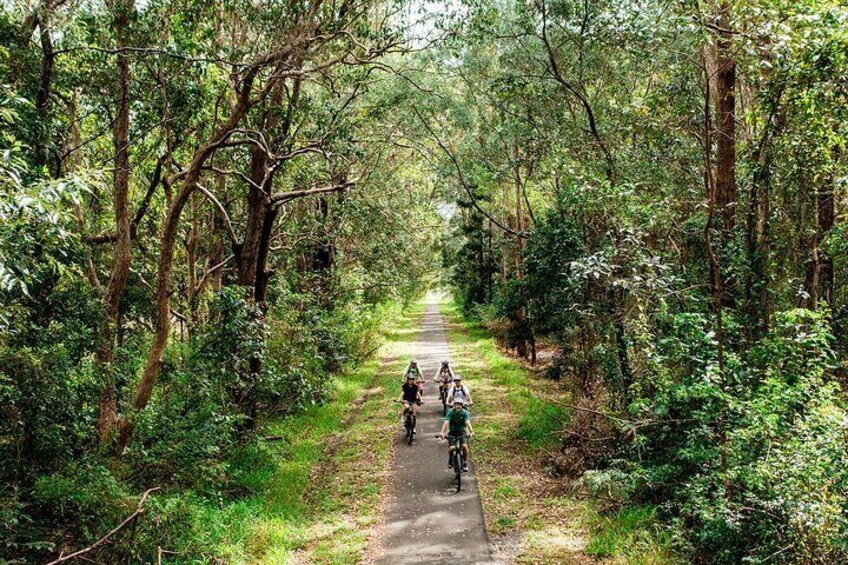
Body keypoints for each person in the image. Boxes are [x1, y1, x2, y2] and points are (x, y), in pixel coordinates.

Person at [439, 399, 474, 472]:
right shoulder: (451, 412)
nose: (458, 406)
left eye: (460, 405)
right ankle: (450, 459)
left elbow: (467, 422)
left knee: (464, 446)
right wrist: (442, 432)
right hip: (452, 432)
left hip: (461, 432)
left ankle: (465, 462)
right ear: (454, 405)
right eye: (457, 405)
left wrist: (471, 431)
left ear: (462, 406)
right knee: (452, 448)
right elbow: (446, 422)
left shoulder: (465, 413)